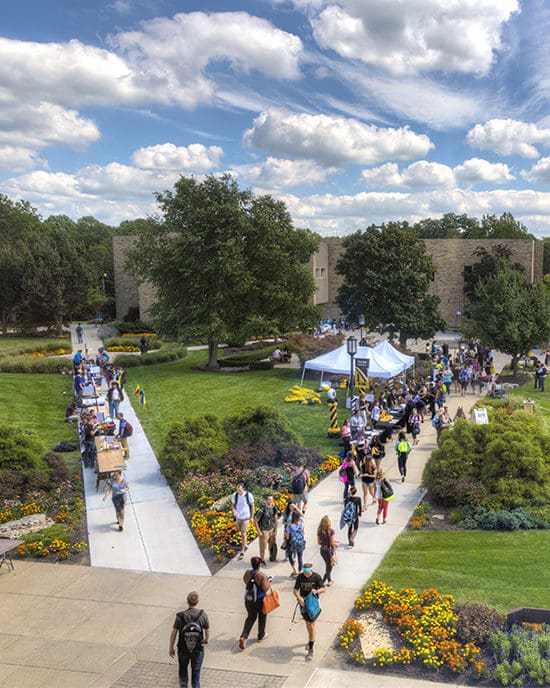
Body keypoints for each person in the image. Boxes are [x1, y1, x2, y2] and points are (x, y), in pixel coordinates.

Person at [169, 591, 209, 688]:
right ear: (198, 601)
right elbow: (207, 631)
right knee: (196, 675)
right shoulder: (203, 615)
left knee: (183, 671)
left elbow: (173, 633)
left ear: (187, 601)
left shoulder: (180, 616)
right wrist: (206, 640)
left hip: (183, 649)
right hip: (197, 649)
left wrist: (171, 648)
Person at [294, 563, 326, 661]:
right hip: (303, 603)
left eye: (308, 573)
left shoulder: (316, 577)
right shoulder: (300, 577)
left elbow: (323, 589)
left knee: (312, 624)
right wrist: (299, 598)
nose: (306, 575)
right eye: (305, 572)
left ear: (311, 570)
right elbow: (295, 590)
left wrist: (317, 591)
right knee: (307, 623)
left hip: (313, 603)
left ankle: (311, 649)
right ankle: (310, 639)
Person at [238, 556, 272, 650]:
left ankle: (243, 637)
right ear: (259, 564)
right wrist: (269, 581)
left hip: (249, 599)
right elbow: (265, 588)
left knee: (250, 617)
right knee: (262, 616)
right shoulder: (261, 575)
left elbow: (245, 581)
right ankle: (261, 635)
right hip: (260, 600)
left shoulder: (247, 573)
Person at [231, 484, 254, 559]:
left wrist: (252, 517)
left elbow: (252, 506)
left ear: (243, 489)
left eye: (240, 490)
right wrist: (234, 511)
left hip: (246, 517)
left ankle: (242, 551)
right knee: (241, 532)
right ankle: (246, 545)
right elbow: (233, 505)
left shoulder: (248, 495)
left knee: (243, 534)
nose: (238, 491)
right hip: (238, 517)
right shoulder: (235, 495)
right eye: (237, 490)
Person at [254, 495, 278, 564]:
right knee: (263, 547)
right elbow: (255, 521)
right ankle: (262, 560)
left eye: (271, 499)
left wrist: (275, 530)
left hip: (271, 529)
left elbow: (276, 519)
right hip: (264, 531)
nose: (271, 501)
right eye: (269, 499)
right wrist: (259, 531)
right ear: (266, 500)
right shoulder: (262, 510)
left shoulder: (274, 508)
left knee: (272, 545)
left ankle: (272, 558)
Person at [317, 515, 337, 587]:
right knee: (329, 566)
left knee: (327, 565)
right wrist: (336, 544)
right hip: (329, 551)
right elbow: (332, 543)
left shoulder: (319, 531)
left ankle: (329, 580)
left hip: (322, 550)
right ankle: (323, 581)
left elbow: (319, 542)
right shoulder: (330, 531)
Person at [287, 510, 306, 577]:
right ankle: (300, 572)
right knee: (300, 557)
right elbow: (303, 532)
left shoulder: (289, 525)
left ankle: (294, 570)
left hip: (293, 543)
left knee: (289, 555)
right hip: (300, 542)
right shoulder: (302, 524)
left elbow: (287, 536)